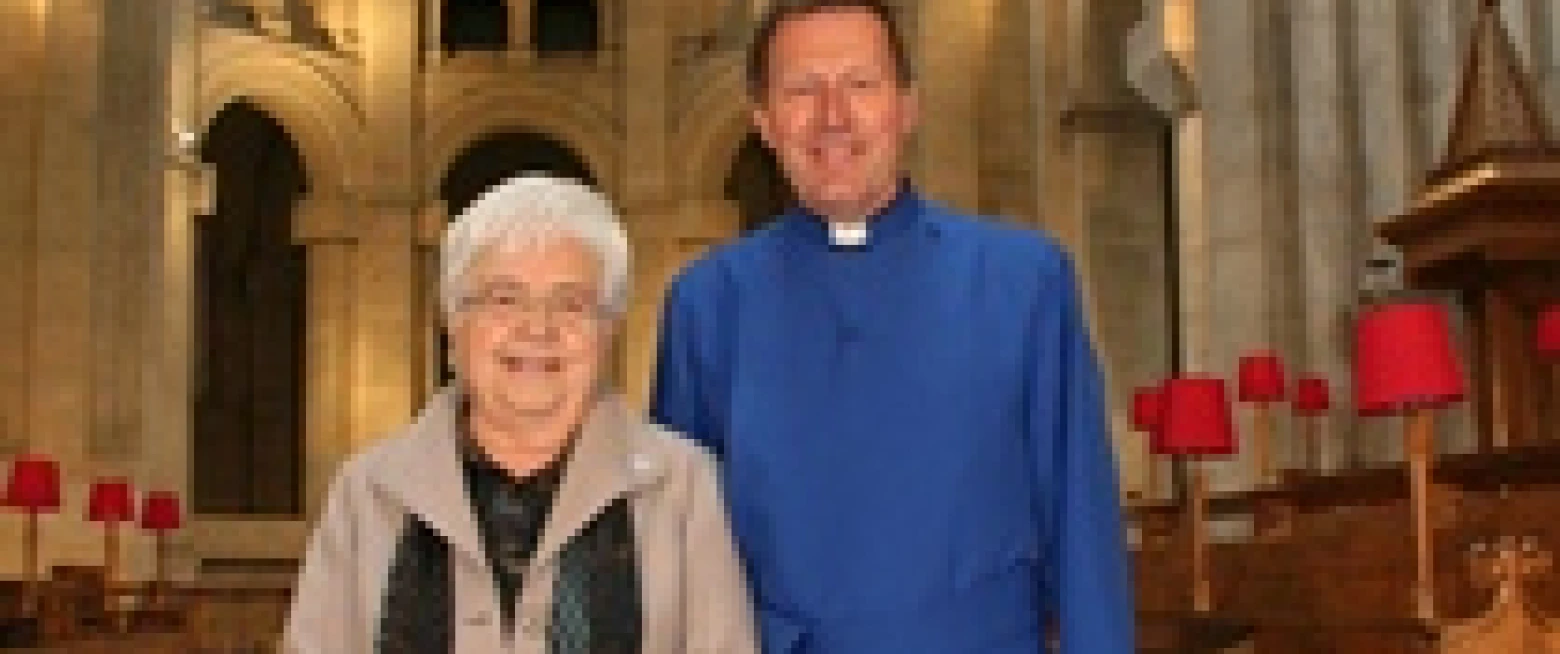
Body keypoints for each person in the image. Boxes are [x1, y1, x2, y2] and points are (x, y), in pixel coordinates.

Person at [650, 1, 1132, 652]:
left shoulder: (1025, 283)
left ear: (907, 106)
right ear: (763, 120)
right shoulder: (707, 306)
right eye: (802, 90)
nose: (832, 117)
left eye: (860, 85)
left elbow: (1082, 528)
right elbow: (679, 549)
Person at [284, 174, 757, 653]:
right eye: (504, 299)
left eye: (571, 304)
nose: (537, 327)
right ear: (453, 324)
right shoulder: (368, 491)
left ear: (608, 332)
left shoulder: (683, 487)